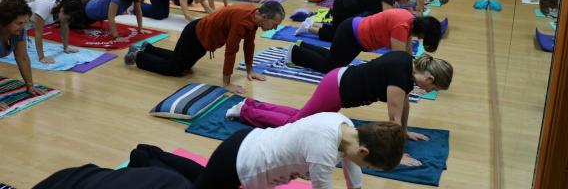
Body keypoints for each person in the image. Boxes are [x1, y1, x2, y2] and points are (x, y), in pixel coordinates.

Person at [34, 114, 404, 189]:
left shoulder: (342, 126)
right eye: (365, 162)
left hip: (246, 145)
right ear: (365, 148)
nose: (358, 166)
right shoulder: (325, 149)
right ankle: (148, 156)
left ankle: (150, 154)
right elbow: (322, 187)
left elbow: (353, 173)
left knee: (203, 179)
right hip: (242, 162)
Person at [228, 52, 453, 167]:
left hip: (340, 81)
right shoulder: (400, 77)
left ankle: (252, 105)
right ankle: (244, 110)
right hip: (335, 88)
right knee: (294, 126)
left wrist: (405, 131)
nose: (429, 90)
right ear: (430, 77)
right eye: (433, 87)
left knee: (300, 117)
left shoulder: (408, 63)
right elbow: (392, 119)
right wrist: (398, 155)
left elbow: (403, 106)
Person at [125, 2, 285, 93]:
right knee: (174, 69)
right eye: (275, 24)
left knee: (184, 66)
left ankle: (148, 48)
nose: (274, 28)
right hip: (195, 35)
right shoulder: (242, 21)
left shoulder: (254, 17)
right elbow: (231, 50)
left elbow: (249, 44)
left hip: (201, 36)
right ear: (264, 17)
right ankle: (138, 56)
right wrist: (227, 83)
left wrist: (250, 70)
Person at [289, 8, 442, 73]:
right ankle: (294, 53)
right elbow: (399, 59)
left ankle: (302, 45)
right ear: (422, 32)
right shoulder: (402, 27)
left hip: (355, 34)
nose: (421, 40)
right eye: (423, 37)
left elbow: (407, 53)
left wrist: (414, 66)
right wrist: (414, 73)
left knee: (333, 59)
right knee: (330, 68)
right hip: (351, 34)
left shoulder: (410, 21)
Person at [296, 0, 416, 41]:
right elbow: (387, 20)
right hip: (344, 4)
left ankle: (311, 23)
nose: (406, 2)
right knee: (337, 37)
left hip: (345, 2)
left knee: (337, 30)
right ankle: (307, 28)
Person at [0, 0, 46, 110]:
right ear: (4, 21)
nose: (22, 27)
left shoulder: (19, 31)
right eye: (19, 23)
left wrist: (30, 85)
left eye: (25, 22)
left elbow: (23, 57)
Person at [84, 0, 148, 42]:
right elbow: (111, 17)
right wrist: (116, 37)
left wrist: (140, 29)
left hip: (96, 3)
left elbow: (138, 11)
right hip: (90, 10)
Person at [29, 0, 86, 64]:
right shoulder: (43, 9)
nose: (66, 20)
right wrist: (42, 57)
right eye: (66, 18)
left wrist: (66, 47)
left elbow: (64, 26)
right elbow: (38, 34)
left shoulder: (65, 5)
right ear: (62, 10)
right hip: (23, 19)